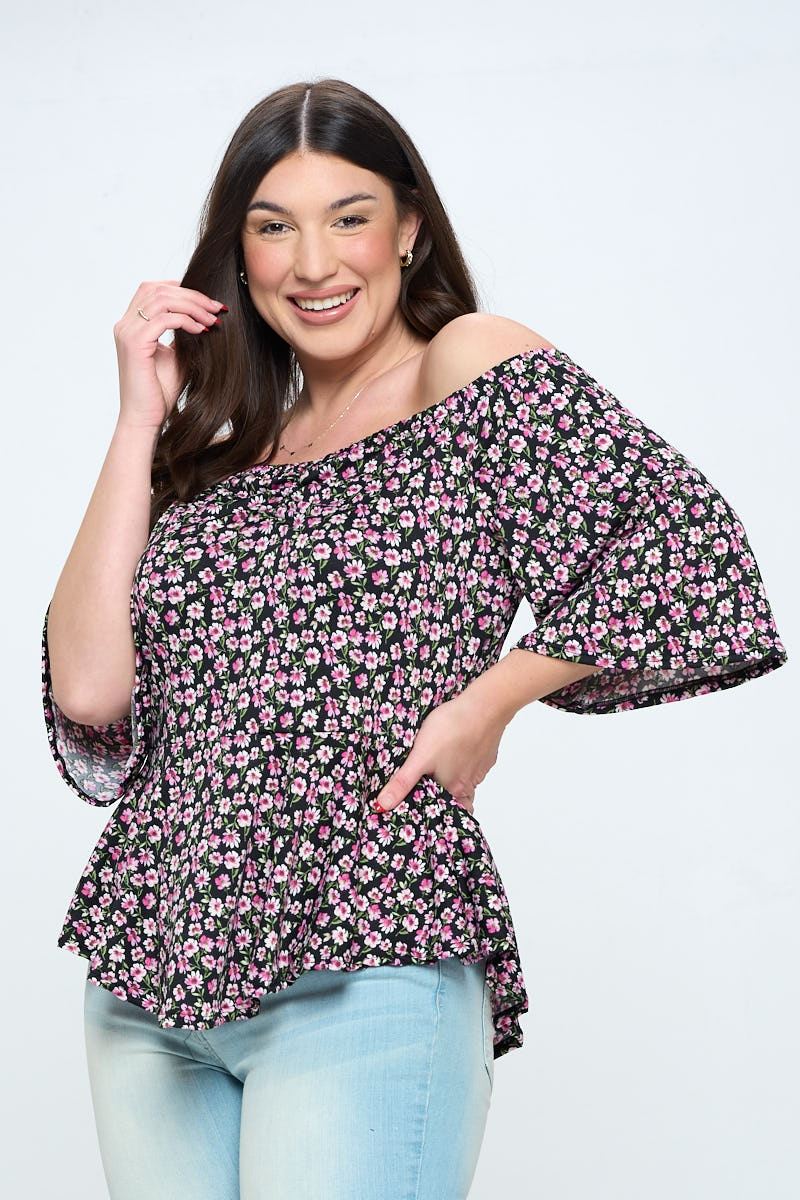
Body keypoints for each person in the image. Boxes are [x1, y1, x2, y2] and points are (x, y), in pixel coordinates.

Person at [40, 78, 788, 1200]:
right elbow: (92, 690)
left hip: (367, 950)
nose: (312, 263)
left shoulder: (461, 364)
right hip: (150, 978)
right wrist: (139, 419)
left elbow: (680, 542)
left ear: (408, 230)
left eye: (348, 217)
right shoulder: (224, 447)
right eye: (273, 227)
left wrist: (491, 699)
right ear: (238, 256)